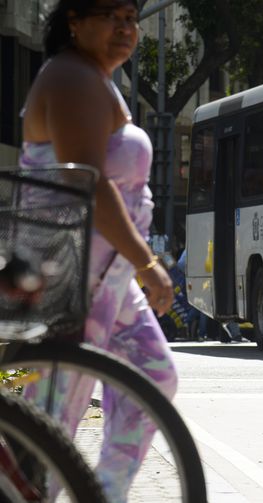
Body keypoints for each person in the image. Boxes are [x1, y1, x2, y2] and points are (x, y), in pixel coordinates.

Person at [19, 1, 178, 500]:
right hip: (69, 273)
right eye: (111, 16)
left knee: (153, 376)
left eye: (131, 17)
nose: (125, 28)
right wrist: (146, 262)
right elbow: (89, 182)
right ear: (74, 22)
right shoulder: (69, 76)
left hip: (104, 278)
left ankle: (102, 494)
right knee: (52, 424)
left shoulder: (94, 78)